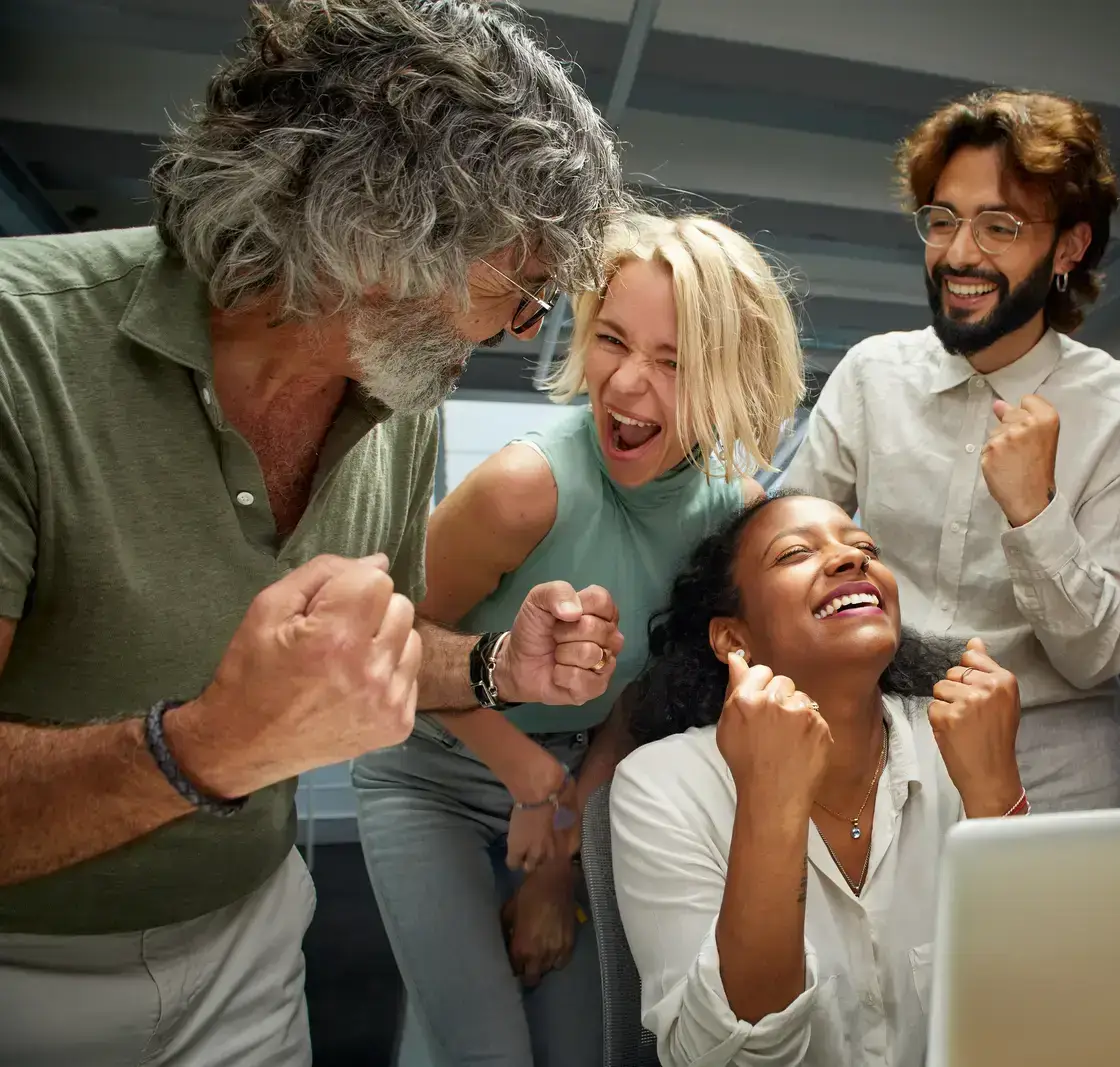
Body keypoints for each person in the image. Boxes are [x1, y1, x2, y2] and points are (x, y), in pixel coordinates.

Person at [0, 2, 628, 1063]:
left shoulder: (399, 397)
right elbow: (243, 728)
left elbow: (364, 655)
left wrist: (491, 663)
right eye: (521, 285)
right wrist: (201, 748)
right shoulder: (23, 349)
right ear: (384, 219)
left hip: (251, 942)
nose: (529, 330)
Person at [354, 213, 806, 1066]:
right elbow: (395, 641)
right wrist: (528, 778)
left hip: (573, 784)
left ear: (731, 376)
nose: (628, 385)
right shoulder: (523, 487)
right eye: (611, 340)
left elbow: (643, 690)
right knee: (484, 1049)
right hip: (434, 766)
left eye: (674, 362)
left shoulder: (731, 511)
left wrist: (563, 843)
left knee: (584, 1043)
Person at [782, 89, 1120, 812]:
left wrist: (1034, 512)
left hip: (1053, 776)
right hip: (875, 754)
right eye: (945, 220)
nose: (959, 253)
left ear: (1071, 246)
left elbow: (1102, 656)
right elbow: (790, 563)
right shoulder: (871, 375)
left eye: (999, 226)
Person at [611, 492, 1029, 1066]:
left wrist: (997, 796)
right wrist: (769, 797)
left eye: (864, 548)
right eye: (794, 554)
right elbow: (724, 1058)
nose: (849, 560)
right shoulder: (662, 784)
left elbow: (1035, 1014)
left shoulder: (956, 742)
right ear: (734, 639)